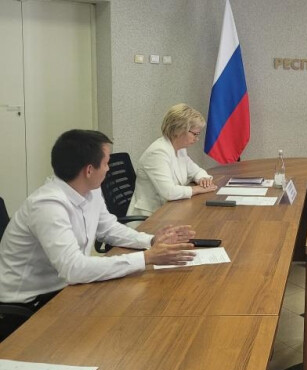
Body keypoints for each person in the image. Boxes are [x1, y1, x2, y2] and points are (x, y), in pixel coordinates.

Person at [0, 130, 196, 340]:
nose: (108, 169)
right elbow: (73, 269)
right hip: (26, 308)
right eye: (106, 163)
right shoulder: (48, 205)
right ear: (89, 170)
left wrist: (151, 240)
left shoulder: (90, 190)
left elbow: (109, 228)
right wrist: (146, 258)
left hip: (64, 290)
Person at [127, 103, 217, 217]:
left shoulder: (180, 149)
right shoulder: (158, 152)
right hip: (151, 217)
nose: (197, 139)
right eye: (195, 134)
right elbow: (169, 192)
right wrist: (197, 189)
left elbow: (196, 171)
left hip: (171, 211)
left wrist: (203, 179)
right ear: (179, 130)